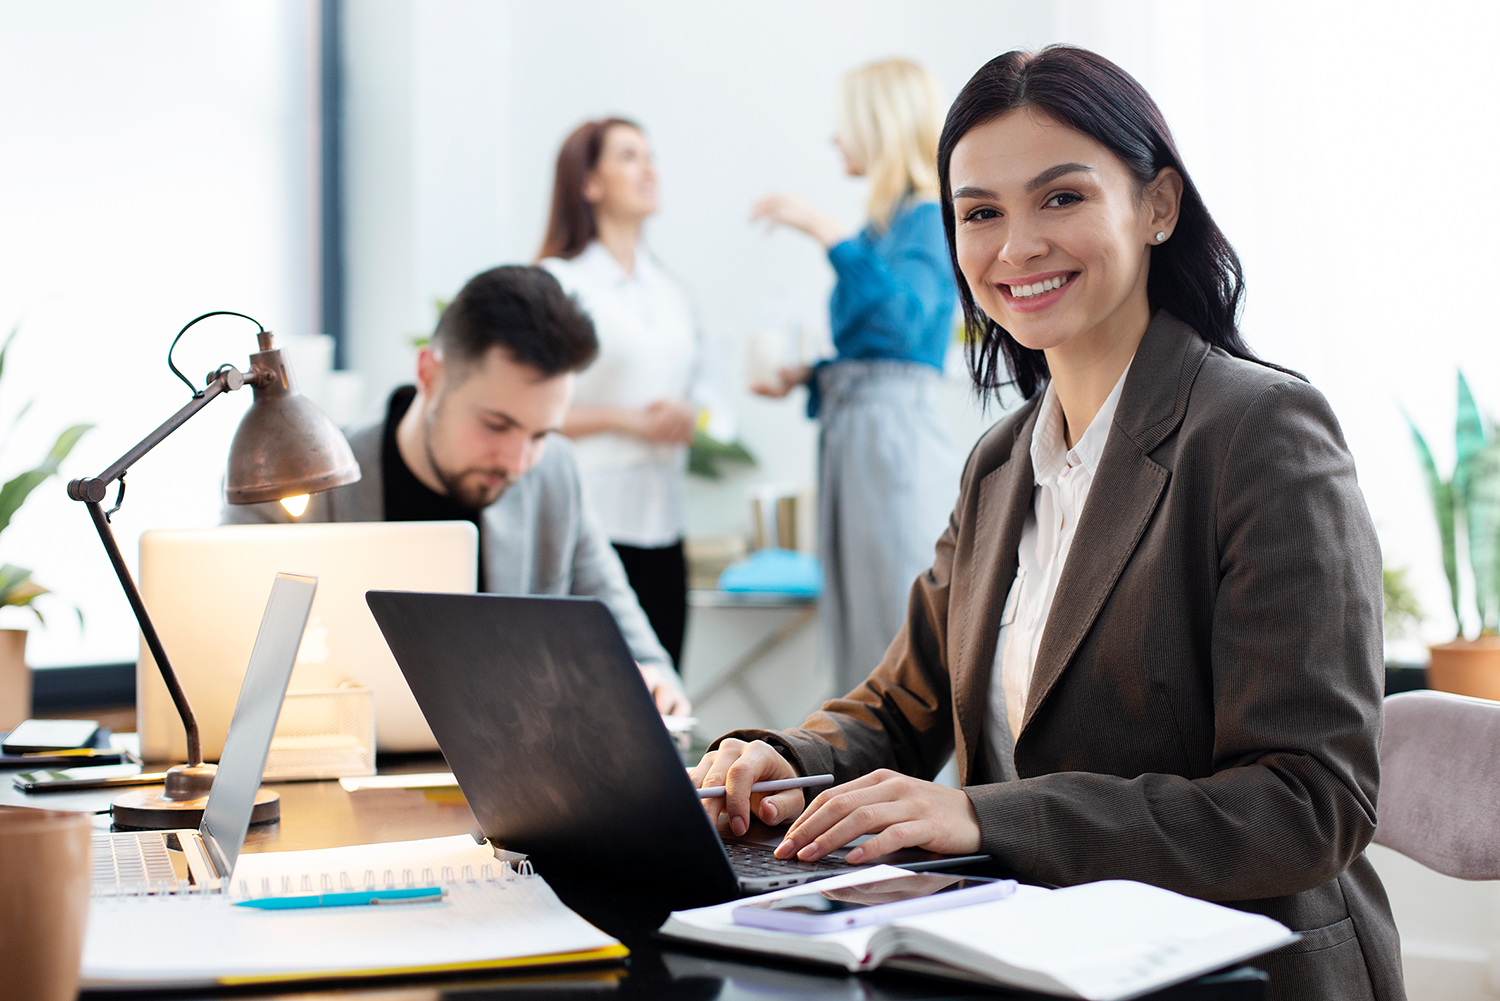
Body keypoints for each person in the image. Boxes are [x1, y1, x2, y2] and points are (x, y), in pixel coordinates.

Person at [694, 46, 1401, 1000]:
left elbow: (1309, 805)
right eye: (979, 213)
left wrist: (987, 817)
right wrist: (787, 761)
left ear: (1158, 205)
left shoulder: (1259, 432)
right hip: (1032, 957)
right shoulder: (1000, 461)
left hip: (1237, 967)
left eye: (1060, 198)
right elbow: (904, 703)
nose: (1015, 246)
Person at [225, 265, 689, 714]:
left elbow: (644, 653)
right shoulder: (298, 479)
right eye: (496, 424)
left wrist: (651, 682)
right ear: (429, 373)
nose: (518, 462)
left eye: (540, 434)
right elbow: (227, 665)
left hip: (514, 786)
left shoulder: (554, 476)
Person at [749, 58, 960, 696]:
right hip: (858, 431)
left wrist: (825, 233)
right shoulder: (883, 227)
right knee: (856, 624)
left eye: (845, 124)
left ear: (879, 124)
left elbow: (903, 325)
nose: (835, 139)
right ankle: (862, 784)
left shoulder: (928, 216)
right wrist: (810, 376)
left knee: (892, 623)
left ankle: (914, 791)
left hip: (888, 437)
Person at [538, 118, 700, 671]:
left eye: (650, 155)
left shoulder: (671, 289)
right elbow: (528, 412)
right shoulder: (559, 283)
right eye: (629, 157)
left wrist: (688, 414)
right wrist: (624, 420)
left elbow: (699, 391)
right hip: (595, 523)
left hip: (666, 525)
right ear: (590, 183)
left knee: (665, 703)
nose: (648, 168)